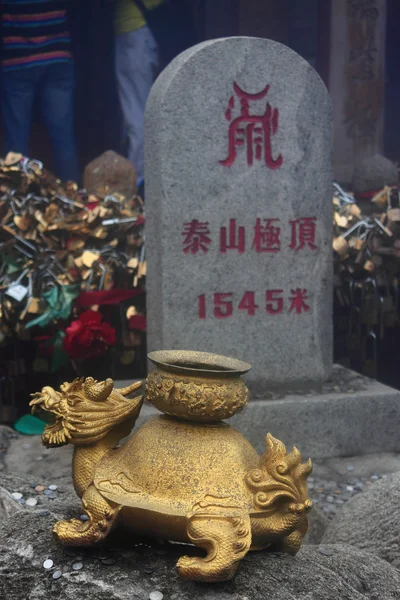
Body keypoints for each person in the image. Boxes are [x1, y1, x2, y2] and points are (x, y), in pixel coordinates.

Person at [1, 0, 79, 182]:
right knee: (63, 137)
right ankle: (72, 198)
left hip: (18, 60)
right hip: (57, 57)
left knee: (16, 141)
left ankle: (19, 201)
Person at [114, 0, 163, 186]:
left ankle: (138, 180)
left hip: (133, 30)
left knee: (136, 111)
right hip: (143, 30)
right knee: (140, 107)